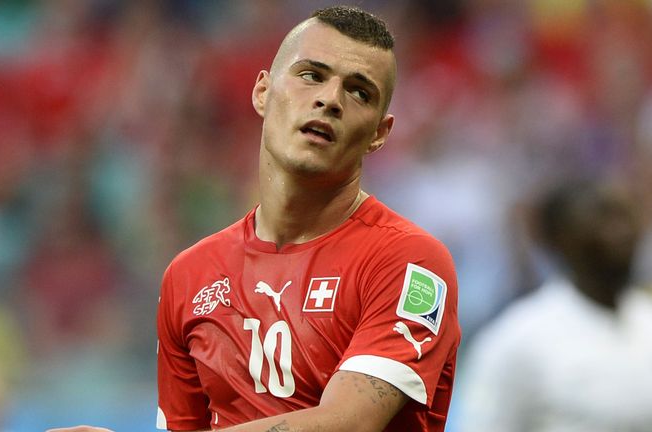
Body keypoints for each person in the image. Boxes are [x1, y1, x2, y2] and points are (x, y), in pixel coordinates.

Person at [49, 6, 460, 432]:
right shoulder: (189, 277)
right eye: (311, 75)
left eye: (359, 92)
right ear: (262, 91)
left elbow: (349, 424)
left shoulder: (410, 262)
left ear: (379, 132)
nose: (330, 100)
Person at [458, 178, 652, 431]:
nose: (620, 233)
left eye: (625, 217)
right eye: (601, 220)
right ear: (556, 238)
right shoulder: (517, 339)